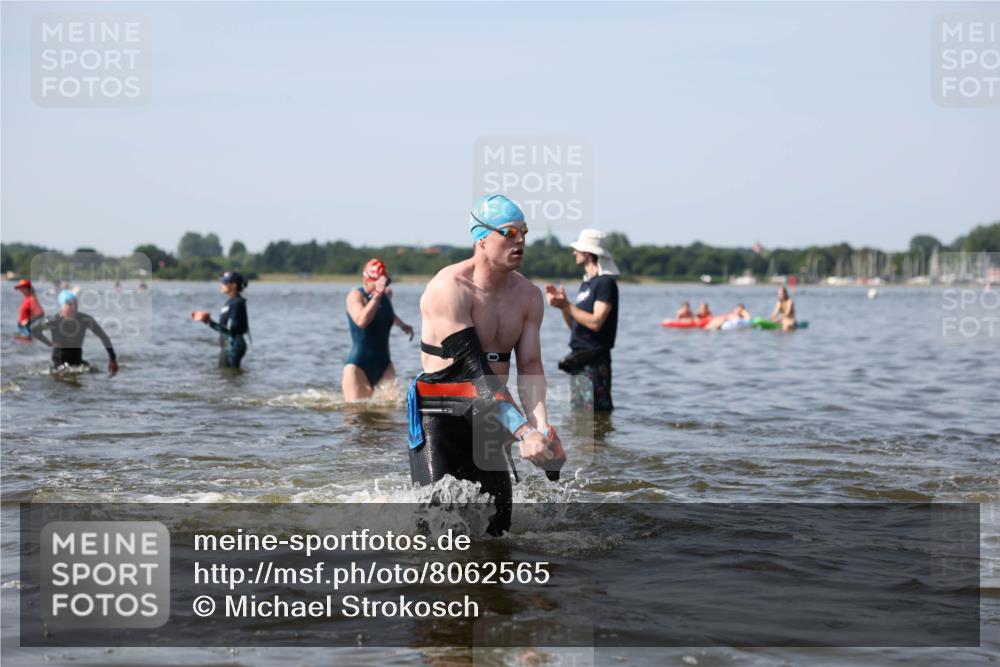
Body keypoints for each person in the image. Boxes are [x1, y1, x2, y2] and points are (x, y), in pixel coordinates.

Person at [407, 194, 565, 535]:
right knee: (437, 532)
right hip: (442, 416)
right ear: (481, 237)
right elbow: (475, 373)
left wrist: (543, 430)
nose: (521, 239)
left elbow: (532, 367)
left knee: (497, 533)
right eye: (510, 233)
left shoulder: (528, 296)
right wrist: (524, 432)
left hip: (490, 417)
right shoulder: (448, 288)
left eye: (524, 231)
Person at [545, 229, 620, 413]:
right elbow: (575, 327)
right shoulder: (586, 284)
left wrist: (567, 304)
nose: (574, 253)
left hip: (595, 360)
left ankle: (601, 442)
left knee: (595, 413)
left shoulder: (605, 283)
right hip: (578, 358)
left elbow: (596, 322)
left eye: (577, 249)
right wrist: (563, 306)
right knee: (579, 415)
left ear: (587, 253)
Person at [342, 258, 415, 400]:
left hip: (384, 364)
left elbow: (385, 312)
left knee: (391, 410)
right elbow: (362, 321)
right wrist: (377, 295)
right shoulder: (355, 296)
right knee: (356, 414)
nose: (381, 286)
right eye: (377, 282)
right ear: (366, 280)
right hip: (358, 367)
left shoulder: (386, 295)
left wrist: (402, 325)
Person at [32, 290, 118, 375]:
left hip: (77, 362)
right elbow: (33, 329)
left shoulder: (85, 320)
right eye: (69, 304)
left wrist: (112, 359)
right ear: (62, 306)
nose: (74, 307)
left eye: (75, 304)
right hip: (59, 365)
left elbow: (103, 336)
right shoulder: (53, 321)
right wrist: (49, 343)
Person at [192, 272, 250, 368]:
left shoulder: (236, 303)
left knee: (229, 377)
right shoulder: (231, 302)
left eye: (224, 282)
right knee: (227, 376)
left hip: (233, 345)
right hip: (229, 344)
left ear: (234, 285)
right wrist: (207, 321)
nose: (221, 285)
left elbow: (230, 330)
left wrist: (209, 321)